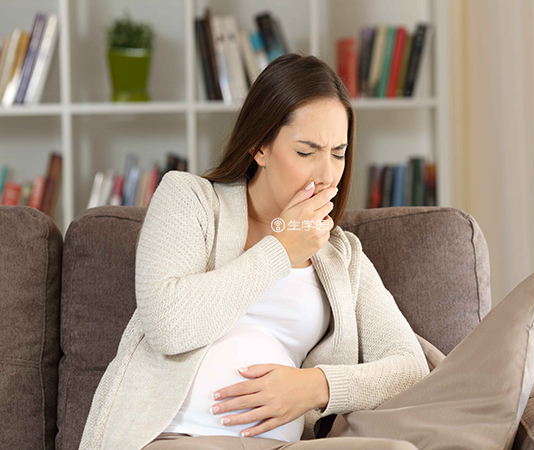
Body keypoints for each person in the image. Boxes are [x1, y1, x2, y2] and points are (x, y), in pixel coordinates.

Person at [78, 52, 429, 450]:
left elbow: (410, 367)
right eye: (306, 151)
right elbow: (167, 324)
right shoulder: (190, 200)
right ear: (260, 147)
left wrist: (315, 387)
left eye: (338, 153)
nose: (327, 175)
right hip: (178, 436)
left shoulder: (342, 256)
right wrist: (281, 249)